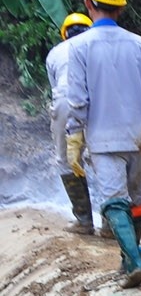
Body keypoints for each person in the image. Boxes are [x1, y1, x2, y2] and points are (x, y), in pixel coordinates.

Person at [63, 0, 141, 288]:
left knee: (113, 202)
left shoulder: (80, 47)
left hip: (105, 138)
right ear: (120, 9)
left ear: (87, 3)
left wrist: (74, 138)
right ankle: (129, 258)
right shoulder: (140, 45)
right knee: (136, 200)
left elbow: (79, 101)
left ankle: (133, 262)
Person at [46, 12, 94, 234]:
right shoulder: (96, 46)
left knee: (66, 159)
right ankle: (112, 223)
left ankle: (84, 220)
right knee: (106, 155)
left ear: (65, 34)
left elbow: (57, 88)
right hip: (98, 96)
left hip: (65, 99)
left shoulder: (55, 53)